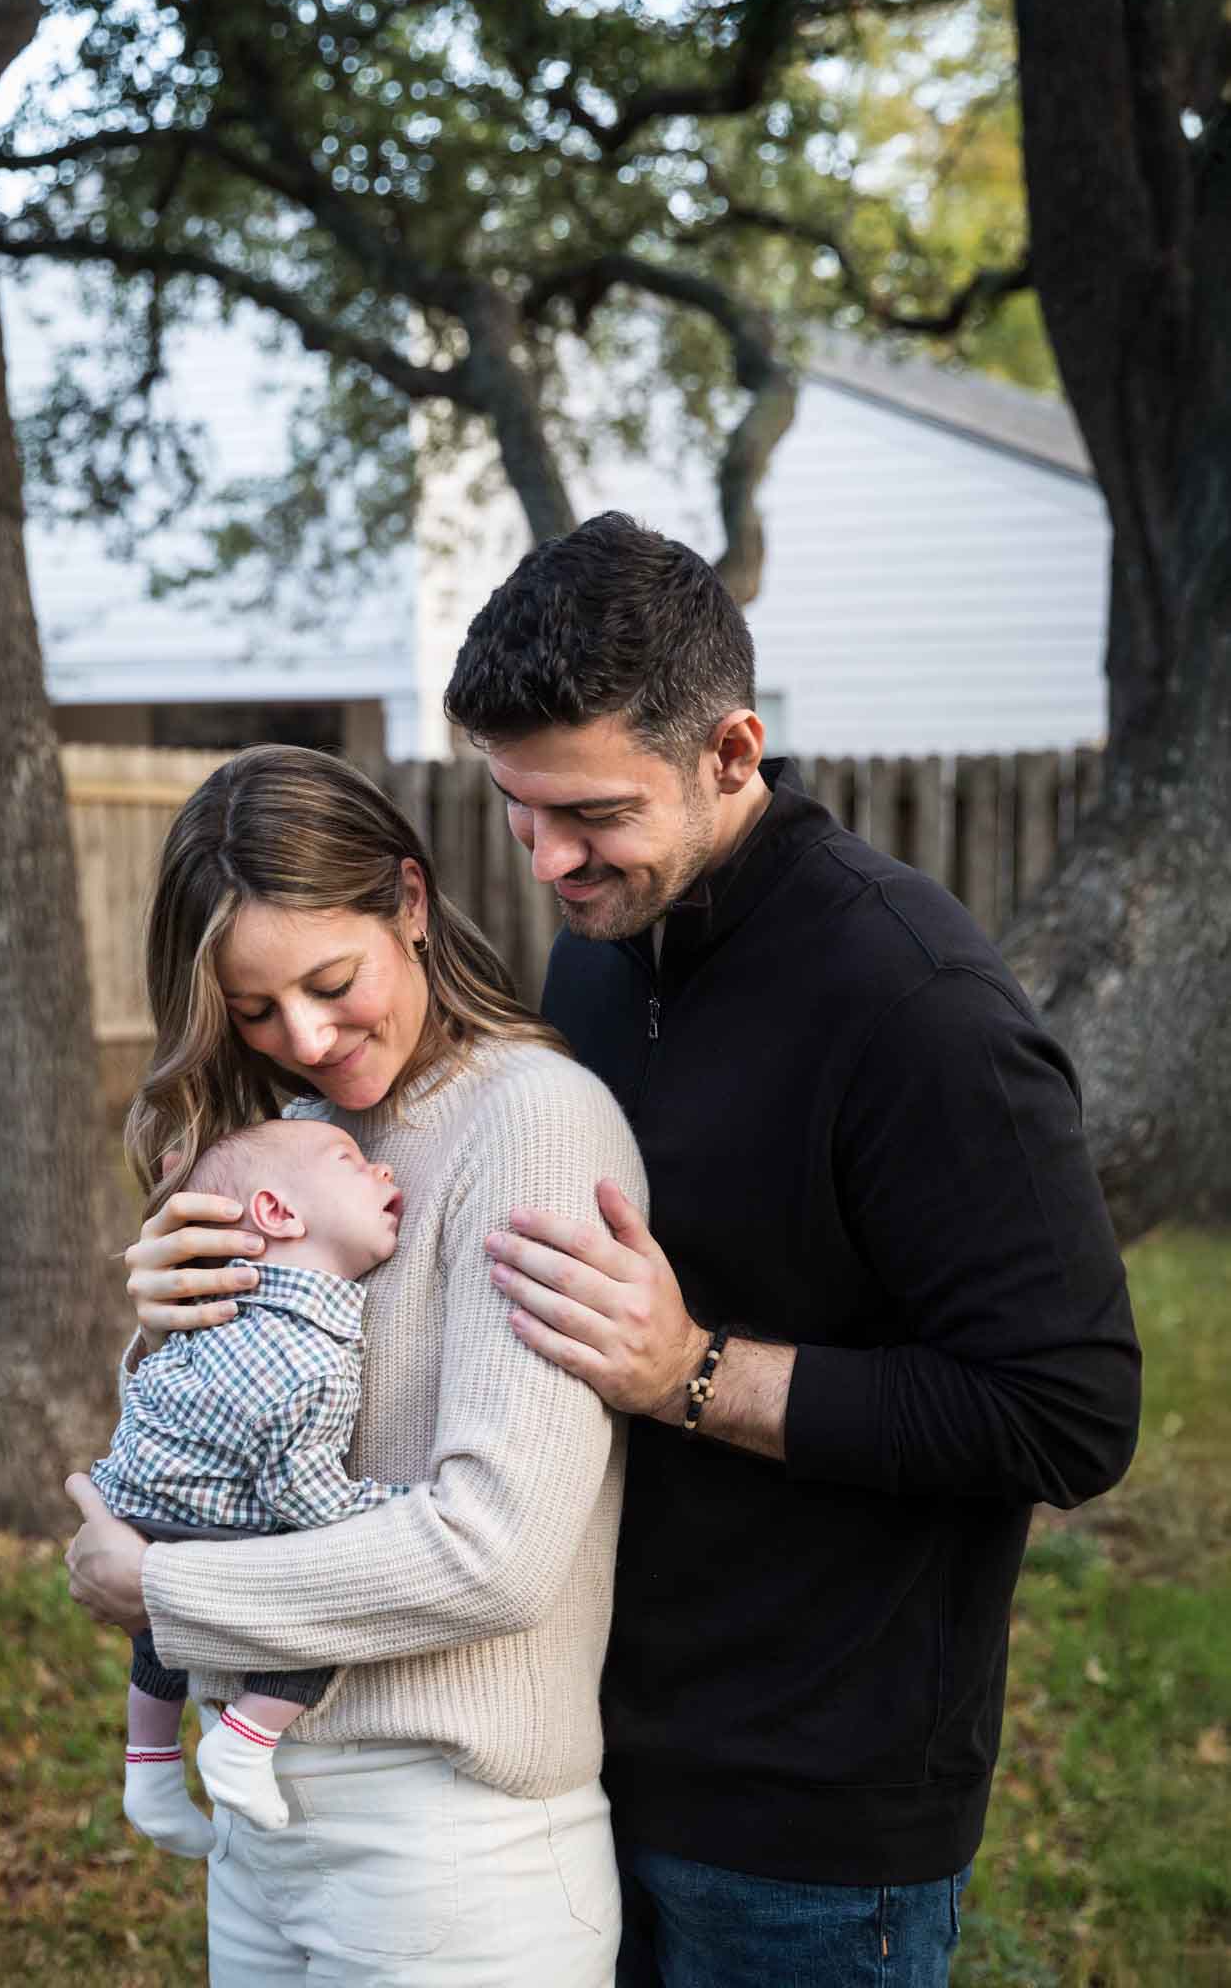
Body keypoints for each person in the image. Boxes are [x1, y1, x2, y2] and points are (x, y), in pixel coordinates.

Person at [437, 510, 1144, 1988]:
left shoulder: (914, 1004)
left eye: (592, 814)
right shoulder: (605, 935)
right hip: (583, 1752)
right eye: (519, 806)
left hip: (814, 1816)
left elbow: (1069, 1412)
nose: (552, 858)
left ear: (732, 753)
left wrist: (690, 1371)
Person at [62, 743, 648, 1988]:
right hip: (263, 1820)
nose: (310, 1038)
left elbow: (496, 1548)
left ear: (413, 900)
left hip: (448, 1839)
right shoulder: (295, 1138)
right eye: (258, 1011)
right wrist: (159, 1334)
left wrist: (167, 1591)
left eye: (332, 981)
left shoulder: (534, 1124)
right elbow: (231, 1455)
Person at [92, 1116, 408, 1855]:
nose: (384, 1172)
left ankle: (148, 1766)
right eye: (351, 1161)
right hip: (212, 1520)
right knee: (309, 1629)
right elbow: (304, 1498)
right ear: (277, 1213)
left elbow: (152, 1387)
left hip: (136, 1503)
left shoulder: (214, 1313)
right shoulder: (312, 1358)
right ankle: (241, 1741)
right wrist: (393, 1505)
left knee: (154, 1641)